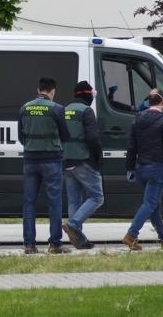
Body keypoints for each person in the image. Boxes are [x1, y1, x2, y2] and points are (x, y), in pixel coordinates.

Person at [123, 89, 163, 250]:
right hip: (157, 168)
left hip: (141, 168)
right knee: (150, 203)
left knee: (154, 204)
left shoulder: (137, 120)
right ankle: (131, 235)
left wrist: (130, 168)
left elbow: (131, 147)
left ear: (148, 102)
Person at [18, 77, 70, 254]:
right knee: (54, 202)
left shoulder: (24, 108)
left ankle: (29, 245)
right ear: (52, 92)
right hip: (52, 160)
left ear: (38, 89)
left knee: (29, 203)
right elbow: (65, 135)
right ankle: (55, 244)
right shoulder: (57, 109)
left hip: (30, 160)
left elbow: (20, 136)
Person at [62, 81, 104, 250]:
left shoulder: (64, 110)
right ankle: (73, 223)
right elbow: (93, 138)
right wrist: (98, 156)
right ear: (87, 95)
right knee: (97, 197)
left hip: (67, 161)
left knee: (74, 200)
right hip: (84, 160)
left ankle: (79, 240)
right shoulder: (86, 111)